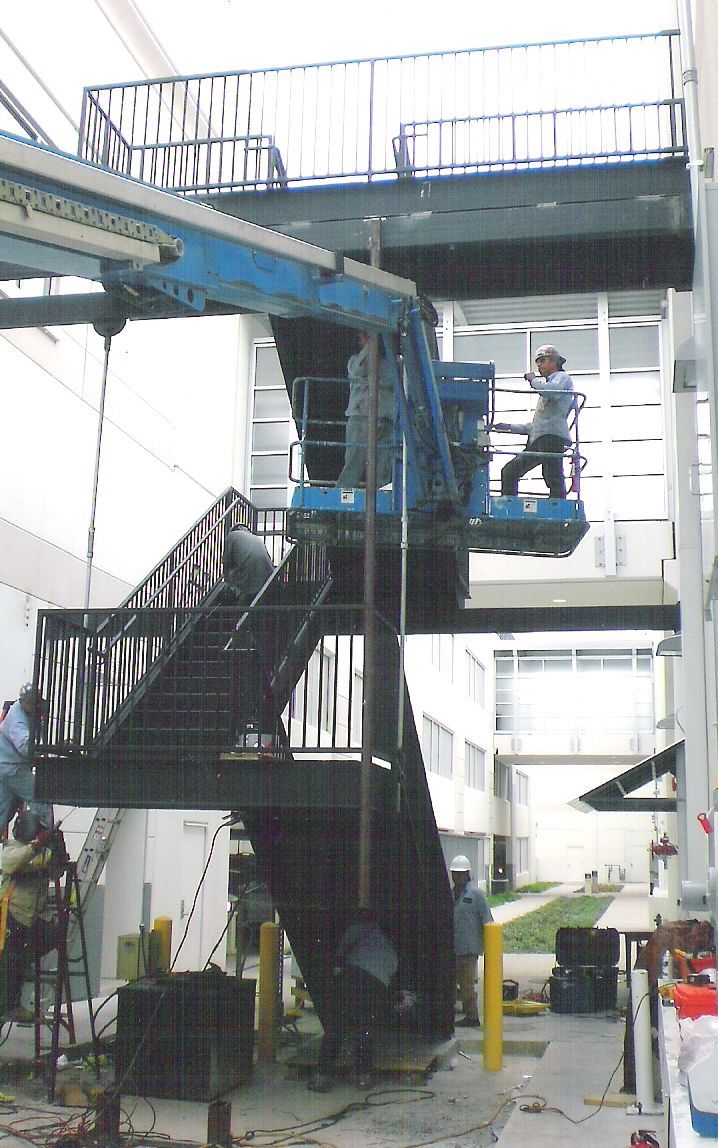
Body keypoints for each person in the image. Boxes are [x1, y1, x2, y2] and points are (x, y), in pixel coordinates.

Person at [308, 907, 398, 1092]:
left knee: (336, 1026)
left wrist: (337, 967)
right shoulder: (392, 951)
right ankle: (363, 1077)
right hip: (377, 984)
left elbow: (342, 949)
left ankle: (322, 1077)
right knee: (365, 1029)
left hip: (353, 975)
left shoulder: (364, 929)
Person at [0, 810, 67, 1023]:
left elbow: (57, 871)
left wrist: (58, 846)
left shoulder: (42, 853)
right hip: (11, 913)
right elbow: (13, 863)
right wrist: (37, 845)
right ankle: (10, 1006)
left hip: (32, 916)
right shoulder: (12, 849)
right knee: (10, 961)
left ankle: (26, 961)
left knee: (54, 935)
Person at [495, 344, 575, 499]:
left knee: (552, 473)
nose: (539, 365)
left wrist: (533, 381)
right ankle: (509, 504)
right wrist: (509, 427)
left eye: (543, 360)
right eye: (538, 361)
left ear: (554, 361)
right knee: (510, 471)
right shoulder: (546, 389)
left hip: (551, 437)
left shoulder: (561, 378)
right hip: (539, 438)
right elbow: (536, 426)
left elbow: (553, 392)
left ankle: (557, 502)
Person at [336, 331, 395, 489]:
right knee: (353, 465)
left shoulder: (391, 365)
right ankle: (344, 497)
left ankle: (382, 499)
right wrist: (371, 346)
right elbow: (360, 370)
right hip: (361, 420)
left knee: (383, 469)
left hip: (386, 421)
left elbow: (394, 380)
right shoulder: (354, 362)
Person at [0, 683, 52, 837]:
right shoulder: (17, 719)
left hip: (7, 767)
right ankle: (47, 838)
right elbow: (24, 746)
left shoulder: (24, 711)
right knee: (41, 798)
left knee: (4, 809)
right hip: (14, 768)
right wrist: (44, 750)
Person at [450, 854, 493, 1028]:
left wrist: (489, 948)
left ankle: (472, 1016)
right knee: (453, 982)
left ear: (467, 874)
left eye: (460, 874)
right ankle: (453, 1010)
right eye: (454, 874)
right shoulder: (452, 894)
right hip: (454, 947)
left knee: (467, 983)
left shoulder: (476, 894)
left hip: (469, 948)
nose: (457, 877)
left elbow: (488, 921)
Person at [223, 524, 275, 611]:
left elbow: (227, 560)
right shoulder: (256, 538)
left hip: (248, 574)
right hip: (268, 574)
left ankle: (239, 605)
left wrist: (227, 580)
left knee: (234, 580)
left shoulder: (232, 535)